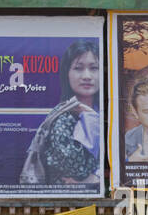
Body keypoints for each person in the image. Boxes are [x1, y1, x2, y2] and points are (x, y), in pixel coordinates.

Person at [19, 40, 102, 184]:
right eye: (78, 68)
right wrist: (90, 118)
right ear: (67, 73)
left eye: (94, 68)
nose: (87, 76)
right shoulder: (62, 117)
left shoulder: (110, 114)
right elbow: (76, 169)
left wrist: (97, 177)